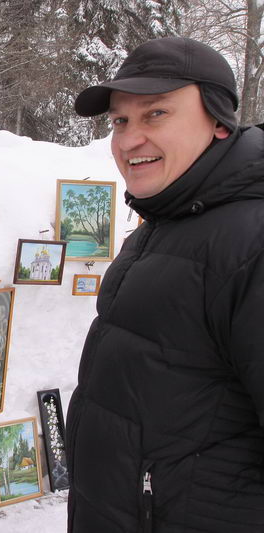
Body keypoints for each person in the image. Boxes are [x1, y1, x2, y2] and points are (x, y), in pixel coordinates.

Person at [66, 36, 264, 532]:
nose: (129, 140)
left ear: (219, 121)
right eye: (120, 121)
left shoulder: (250, 243)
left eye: (155, 114)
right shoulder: (165, 223)